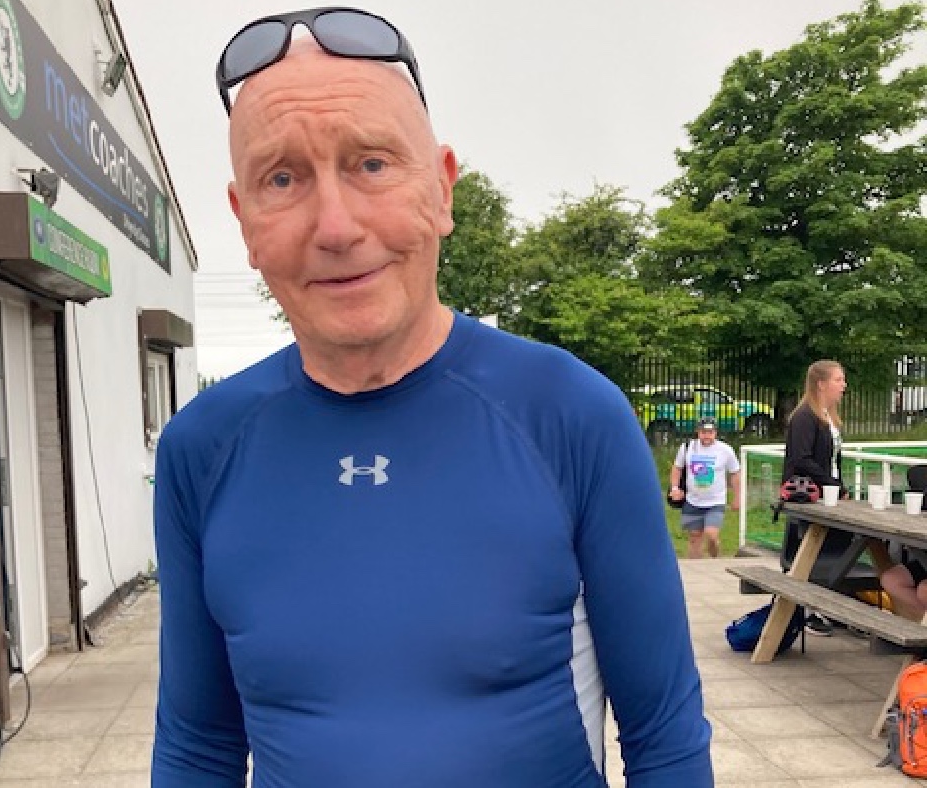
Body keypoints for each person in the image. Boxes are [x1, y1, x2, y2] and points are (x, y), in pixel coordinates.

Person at [150, 8, 713, 787]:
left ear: (442, 188)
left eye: (371, 164)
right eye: (282, 178)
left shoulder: (571, 415)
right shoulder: (201, 449)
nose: (336, 226)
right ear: (245, 222)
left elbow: (665, 734)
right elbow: (196, 746)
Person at [781, 359, 849, 636]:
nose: (844, 385)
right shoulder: (804, 417)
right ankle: (808, 611)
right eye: (838, 380)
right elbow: (802, 459)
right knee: (812, 549)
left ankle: (832, 606)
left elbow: (832, 459)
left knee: (841, 545)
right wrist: (833, 484)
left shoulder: (829, 417)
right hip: (809, 495)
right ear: (821, 384)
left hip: (829, 494)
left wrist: (839, 485)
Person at [668, 417, 740, 559]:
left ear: (715, 433)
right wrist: (675, 488)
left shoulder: (725, 450)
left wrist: (738, 497)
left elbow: (735, 473)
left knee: (711, 534)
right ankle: (695, 567)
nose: (707, 436)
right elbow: (677, 468)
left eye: (710, 432)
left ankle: (714, 558)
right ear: (698, 432)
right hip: (692, 500)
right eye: (703, 432)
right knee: (694, 537)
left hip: (715, 502)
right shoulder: (687, 448)